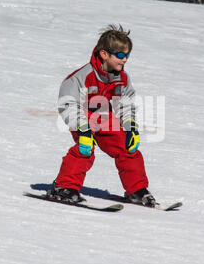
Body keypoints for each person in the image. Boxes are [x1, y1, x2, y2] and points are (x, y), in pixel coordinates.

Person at [48, 24, 156, 207]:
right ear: (104, 54)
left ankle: (136, 190)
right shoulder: (82, 76)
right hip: (82, 118)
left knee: (127, 147)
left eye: (127, 55)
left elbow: (126, 103)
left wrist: (130, 127)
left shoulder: (122, 78)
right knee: (85, 148)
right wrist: (83, 129)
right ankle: (63, 187)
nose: (125, 60)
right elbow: (68, 103)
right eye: (120, 55)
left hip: (104, 118)